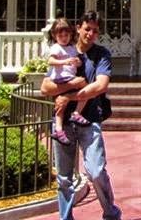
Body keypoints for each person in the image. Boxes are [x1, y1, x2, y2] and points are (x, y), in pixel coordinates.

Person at [40, 11, 122, 220]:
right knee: (64, 178)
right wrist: (70, 86)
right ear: (78, 28)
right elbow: (45, 87)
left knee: (96, 171)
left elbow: (101, 85)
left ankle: (111, 213)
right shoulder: (64, 50)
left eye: (95, 30)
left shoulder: (101, 54)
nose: (90, 33)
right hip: (64, 122)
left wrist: (67, 97)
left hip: (89, 120)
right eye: (87, 29)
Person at [47, 18, 90, 146]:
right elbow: (50, 61)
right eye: (60, 35)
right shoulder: (56, 47)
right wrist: (64, 62)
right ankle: (76, 113)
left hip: (69, 76)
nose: (64, 38)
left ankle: (59, 129)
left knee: (62, 103)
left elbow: (77, 61)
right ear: (55, 36)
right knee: (84, 85)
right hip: (61, 78)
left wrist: (78, 62)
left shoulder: (71, 48)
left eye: (66, 35)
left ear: (71, 35)